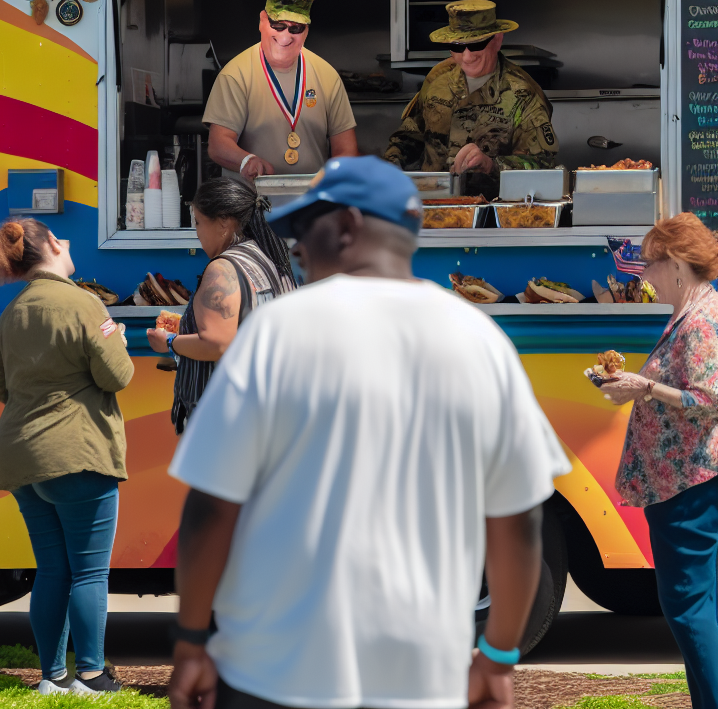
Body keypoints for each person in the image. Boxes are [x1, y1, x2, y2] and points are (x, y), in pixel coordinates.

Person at [167, 156, 571, 709]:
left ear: (348, 225)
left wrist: (191, 640)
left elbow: (212, 506)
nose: (296, 249)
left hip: (276, 670)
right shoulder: (478, 340)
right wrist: (498, 656)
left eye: (305, 229)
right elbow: (517, 521)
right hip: (421, 676)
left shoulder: (277, 333)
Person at [0, 219, 134, 696]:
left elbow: (0, 386)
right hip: (77, 451)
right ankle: (91, 675)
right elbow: (117, 376)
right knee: (89, 570)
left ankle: (52, 677)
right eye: (61, 237)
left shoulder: (13, 312)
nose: (68, 241)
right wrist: (118, 340)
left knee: (51, 568)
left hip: (21, 456)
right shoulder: (85, 304)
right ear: (49, 245)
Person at [592, 213, 718, 709]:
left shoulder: (701, 320)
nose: (642, 275)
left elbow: (707, 399)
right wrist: (637, 389)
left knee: (688, 607)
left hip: (687, 485)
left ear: (679, 264)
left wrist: (644, 386)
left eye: (649, 263)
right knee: (698, 604)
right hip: (685, 482)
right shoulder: (695, 311)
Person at [146, 177, 296, 434]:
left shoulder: (222, 269)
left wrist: (169, 342)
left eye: (198, 222)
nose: (197, 232)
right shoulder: (269, 258)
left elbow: (217, 343)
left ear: (224, 222)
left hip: (227, 421)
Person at [384, 0, 558, 197]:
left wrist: (491, 165)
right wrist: (391, 164)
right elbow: (410, 136)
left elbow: (543, 163)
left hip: (492, 210)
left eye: (476, 45)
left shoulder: (523, 93)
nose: (467, 57)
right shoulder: (436, 79)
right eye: (458, 46)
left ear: (497, 40)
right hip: (432, 206)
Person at [204, 0, 358, 182]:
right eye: (277, 25)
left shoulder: (327, 76)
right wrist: (246, 161)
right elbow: (218, 144)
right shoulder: (235, 75)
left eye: (296, 28)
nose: (285, 37)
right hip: (251, 198)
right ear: (262, 21)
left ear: (306, 31)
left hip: (311, 198)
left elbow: (346, 148)